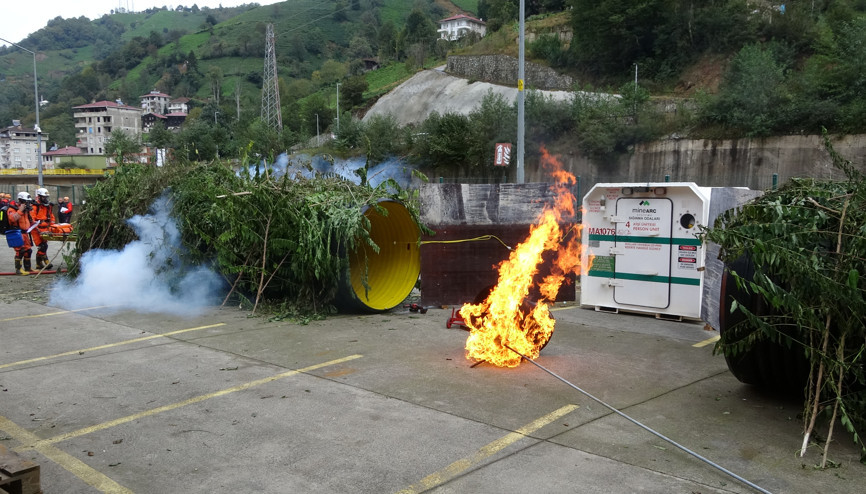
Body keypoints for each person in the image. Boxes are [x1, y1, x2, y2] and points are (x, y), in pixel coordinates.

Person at [7, 192, 43, 275]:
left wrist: (35, 224)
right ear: (21, 200)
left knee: (28, 250)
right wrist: (20, 210)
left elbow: (28, 220)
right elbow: (12, 219)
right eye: (26, 202)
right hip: (17, 233)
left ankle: (28, 268)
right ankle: (18, 269)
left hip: (25, 233)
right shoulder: (12, 209)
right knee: (20, 251)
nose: (28, 203)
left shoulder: (26, 210)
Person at [30, 188, 55, 270]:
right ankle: (46, 262)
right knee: (42, 246)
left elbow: (51, 217)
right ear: (39, 197)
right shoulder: (34, 206)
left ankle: (38, 264)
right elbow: (32, 219)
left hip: (45, 228)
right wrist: (37, 229)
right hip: (36, 229)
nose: (46, 199)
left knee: (44, 246)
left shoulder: (48, 206)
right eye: (44, 197)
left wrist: (52, 226)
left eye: (46, 197)